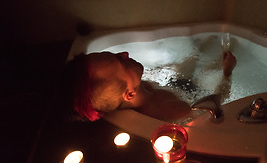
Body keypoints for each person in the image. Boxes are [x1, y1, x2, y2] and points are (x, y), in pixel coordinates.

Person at [61, 50, 236, 122]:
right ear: (129, 94)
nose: (125, 53)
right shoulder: (171, 110)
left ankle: (200, 51)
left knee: (188, 63)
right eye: (122, 62)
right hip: (192, 96)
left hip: (172, 85)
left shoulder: (133, 91)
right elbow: (217, 105)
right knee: (205, 69)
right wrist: (227, 73)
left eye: (116, 55)